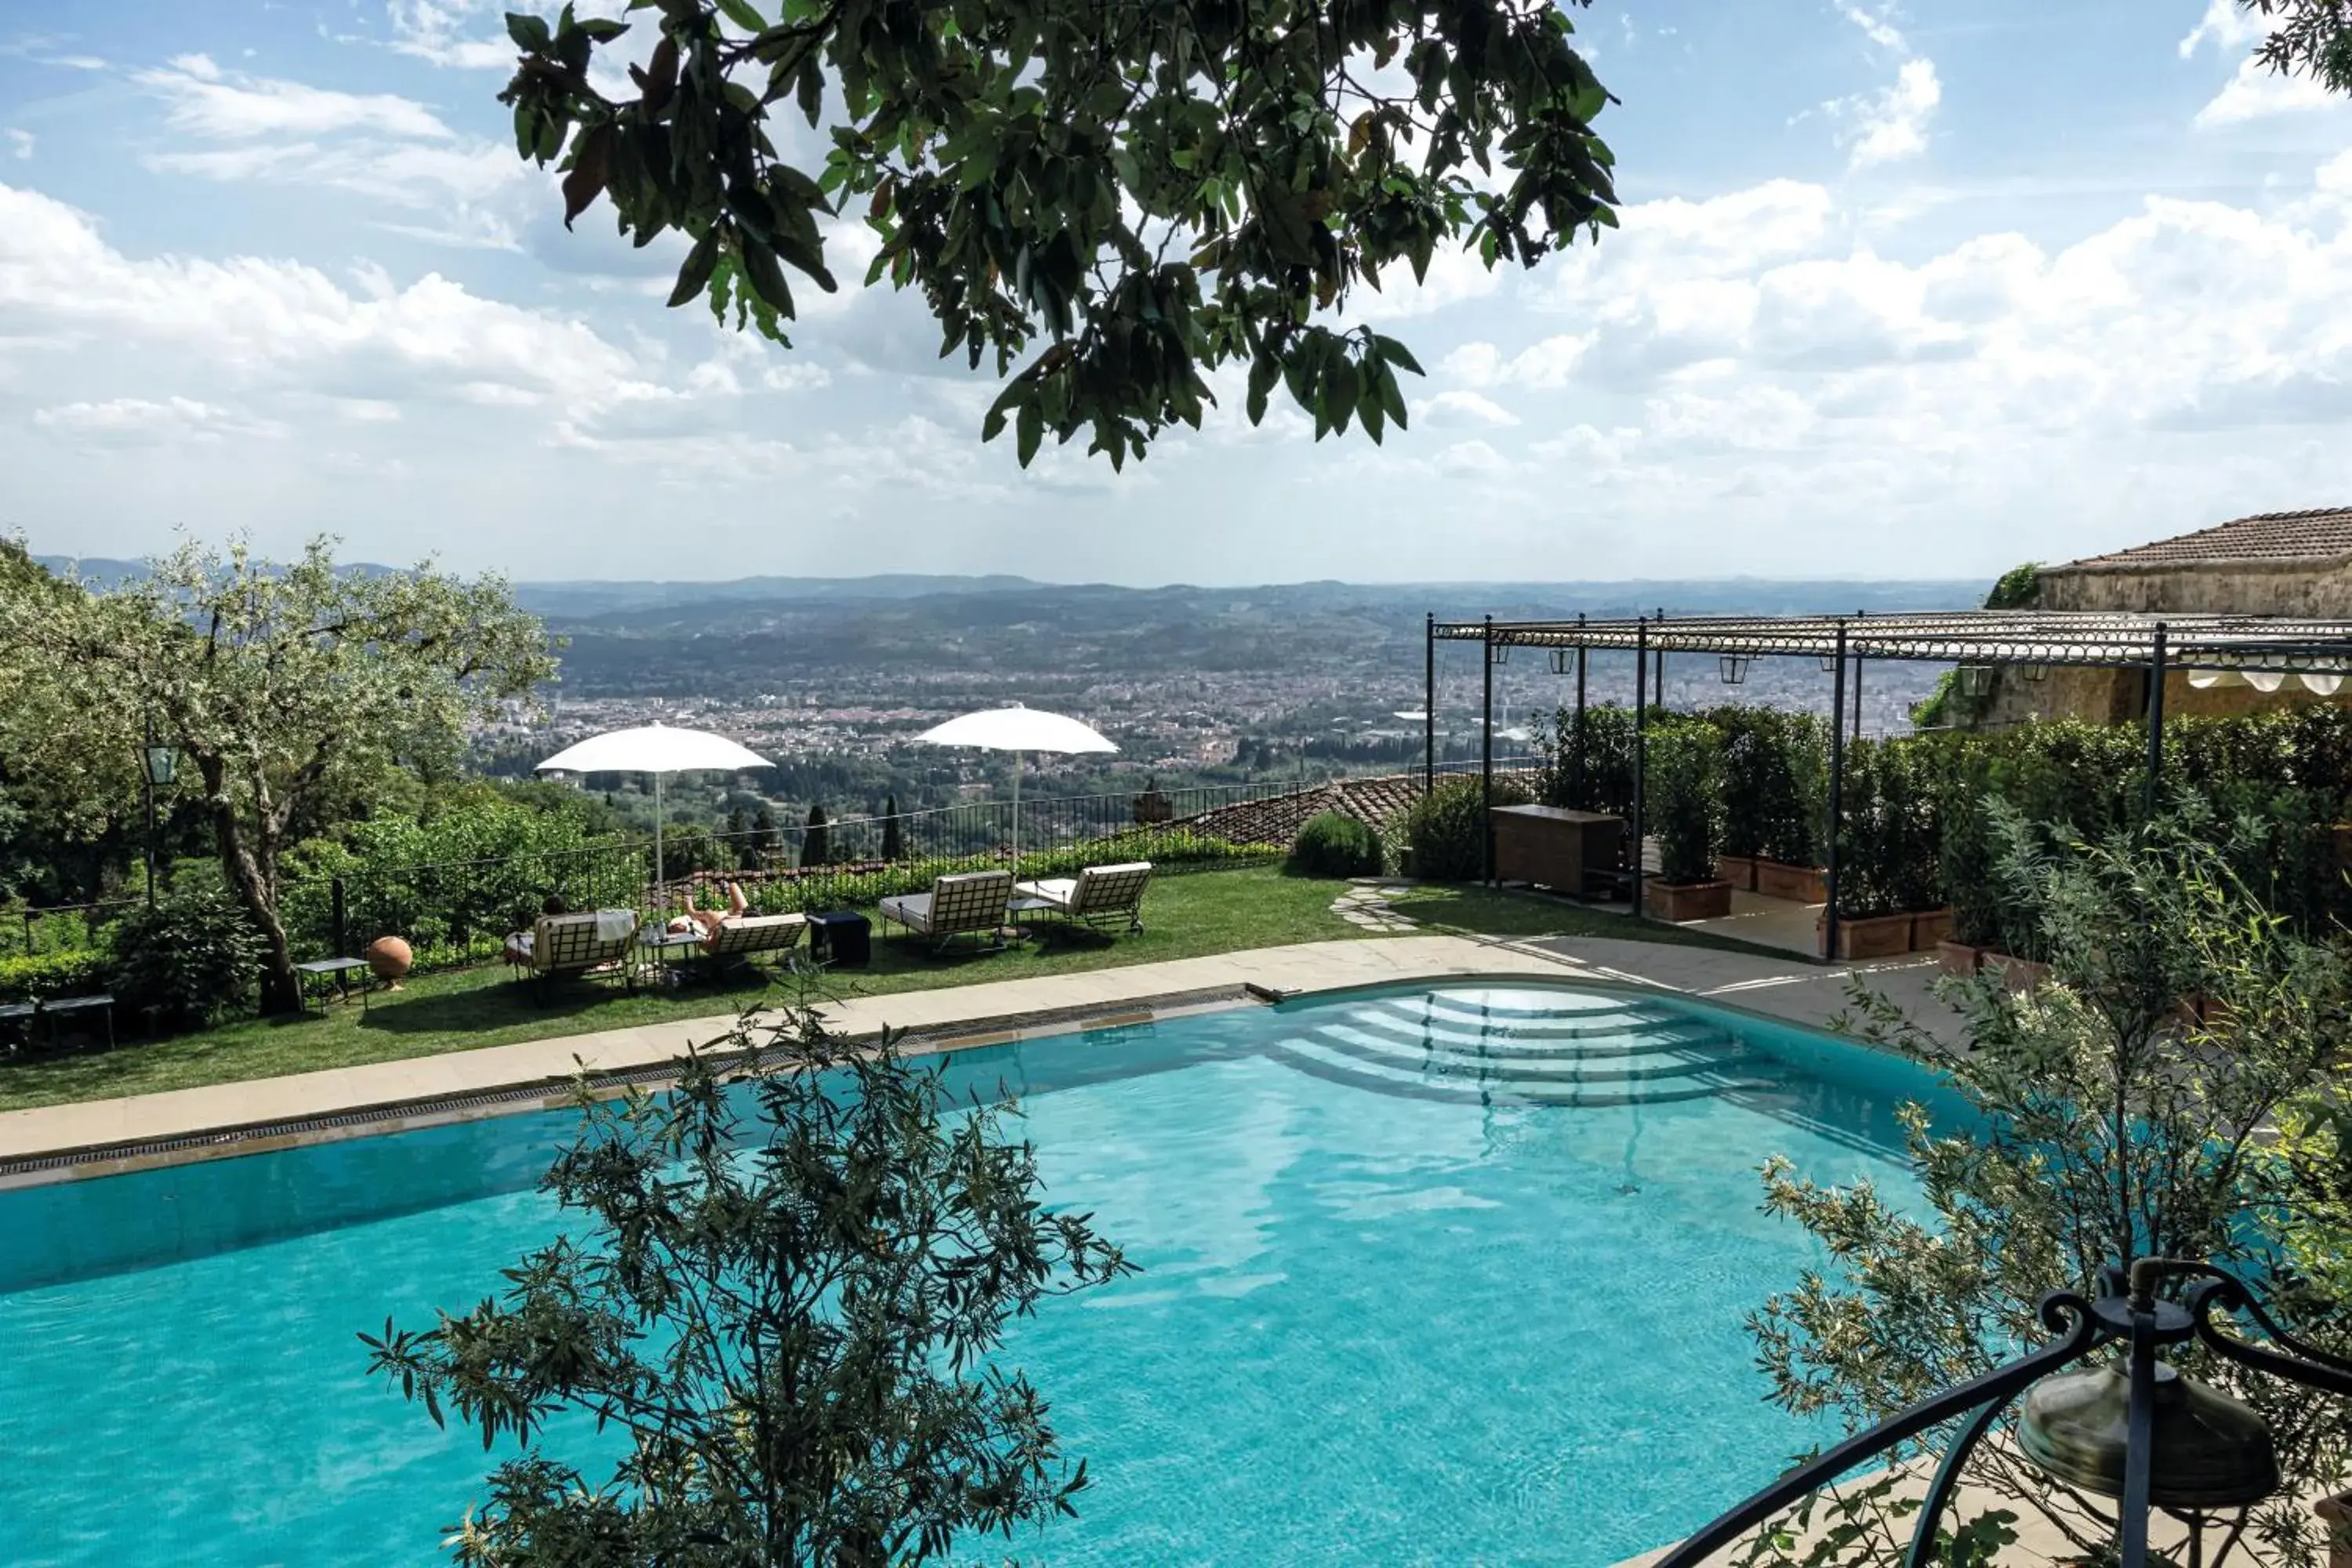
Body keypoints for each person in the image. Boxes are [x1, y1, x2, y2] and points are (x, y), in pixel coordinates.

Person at [667, 881, 750, 953]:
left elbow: (711, 943)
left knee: (710, 913)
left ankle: (691, 911)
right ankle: (693, 912)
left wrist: (707, 935)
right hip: (742, 923)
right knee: (733, 886)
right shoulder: (755, 925)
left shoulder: (720, 927)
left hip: (729, 927)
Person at [503, 893, 570, 969]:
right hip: (571, 957)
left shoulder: (544, 926)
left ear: (546, 911)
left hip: (546, 960)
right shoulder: (571, 924)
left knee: (512, 943)